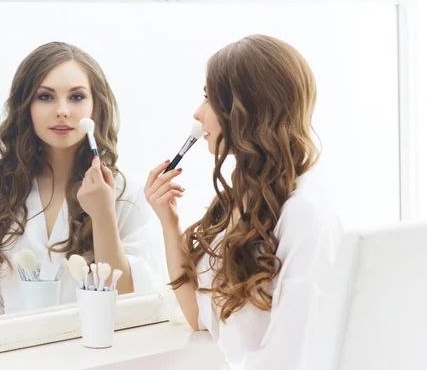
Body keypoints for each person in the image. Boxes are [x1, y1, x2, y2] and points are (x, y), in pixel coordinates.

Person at [144, 34, 344, 369]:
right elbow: (199, 317)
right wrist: (169, 222)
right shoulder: (244, 200)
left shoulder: (303, 213)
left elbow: (293, 358)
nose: (198, 113)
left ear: (247, 110)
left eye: (209, 99)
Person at [0, 41, 166, 317]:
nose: (62, 110)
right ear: (26, 107)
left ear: (95, 107)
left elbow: (135, 302)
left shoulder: (125, 194)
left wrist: (104, 214)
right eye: (45, 97)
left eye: (77, 97)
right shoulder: (4, 195)